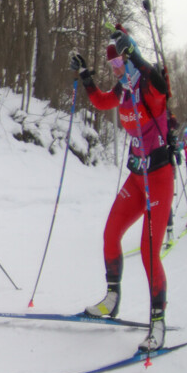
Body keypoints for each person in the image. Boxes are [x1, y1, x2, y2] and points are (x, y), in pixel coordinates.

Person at [70, 28, 170, 351]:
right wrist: (86, 76)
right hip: (137, 176)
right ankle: (112, 299)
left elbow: (162, 86)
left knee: (148, 251)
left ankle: (157, 323)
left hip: (159, 176)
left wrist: (136, 58)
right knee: (111, 233)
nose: (115, 69)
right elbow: (101, 101)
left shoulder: (146, 84)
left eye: (118, 62)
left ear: (129, 56)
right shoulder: (125, 90)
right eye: (111, 64)